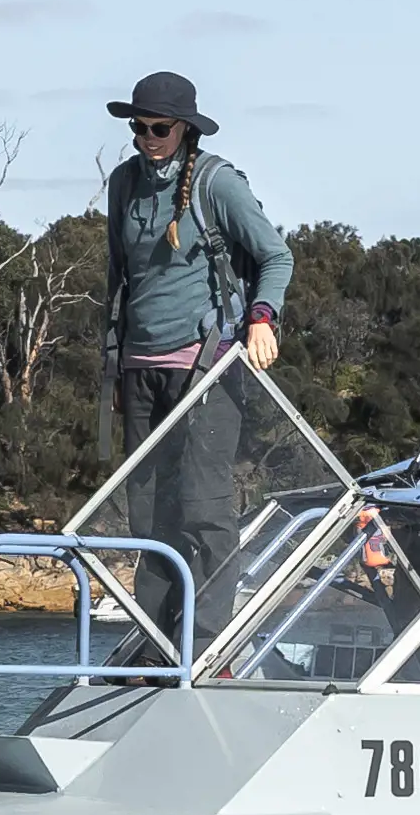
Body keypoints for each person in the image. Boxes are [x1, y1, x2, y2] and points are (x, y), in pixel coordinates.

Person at [100, 72, 291, 654]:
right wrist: (112, 364)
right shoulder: (123, 184)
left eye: (159, 127)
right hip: (139, 370)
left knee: (203, 511)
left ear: (184, 129)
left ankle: (203, 646)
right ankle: (156, 643)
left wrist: (262, 317)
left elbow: (275, 256)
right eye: (138, 126)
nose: (147, 137)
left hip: (206, 370)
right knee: (150, 515)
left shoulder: (218, 184)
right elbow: (117, 279)